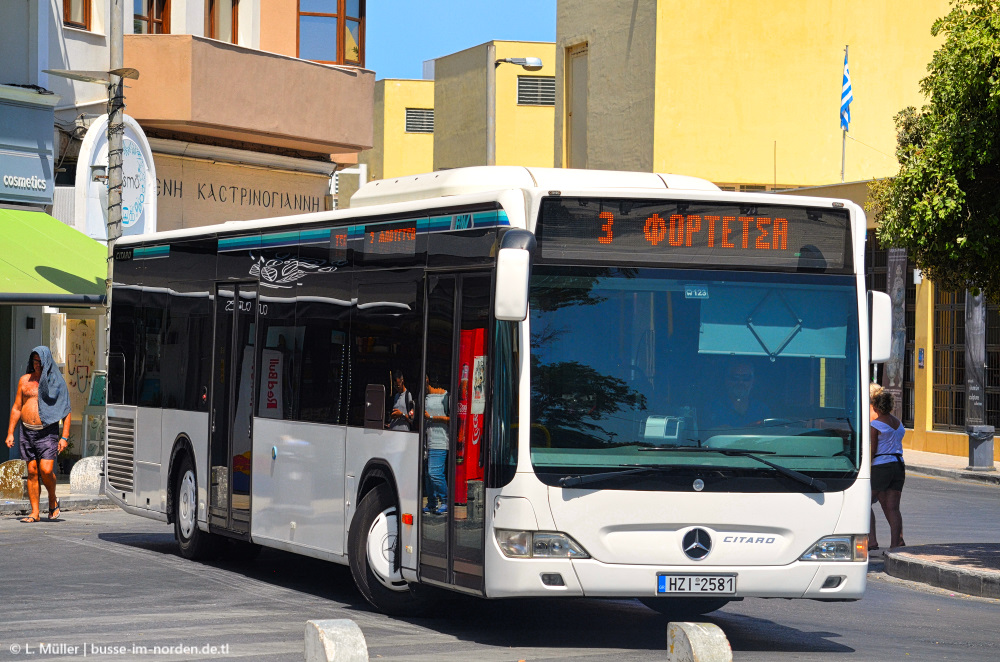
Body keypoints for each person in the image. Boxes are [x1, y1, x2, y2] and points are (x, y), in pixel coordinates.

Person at [5, 347, 72, 523]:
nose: (37, 365)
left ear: (47, 362)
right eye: (34, 361)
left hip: (47, 432)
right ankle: (35, 512)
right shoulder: (24, 381)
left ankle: (52, 499)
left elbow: (66, 411)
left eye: (40, 362)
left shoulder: (56, 382)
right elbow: (17, 407)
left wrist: (64, 437)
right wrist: (10, 432)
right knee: (32, 471)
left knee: (46, 470)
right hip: (26, 432)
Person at [869, 383, 906, 550]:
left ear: (876, 406)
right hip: (898, 465)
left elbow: (873, 449)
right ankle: (895, 546)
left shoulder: (875, 425)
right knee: (893, 508)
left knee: (864, 502)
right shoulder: (898, 423)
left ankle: (871, 540)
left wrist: (867, 467)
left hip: (881, 466)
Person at [703, 361, 768, 430]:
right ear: (726, 380)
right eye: (735, 378)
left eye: (746, 378)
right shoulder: (713, 407)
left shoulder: (762, 409)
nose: (740, 382)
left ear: (753, 381)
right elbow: (704, 436)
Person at [423, 373, 449, 515]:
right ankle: (432, 503)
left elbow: (451, 419)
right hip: (429, 440)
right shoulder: (425, 396)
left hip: (440, 440)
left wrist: (432, 417)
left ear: (428, 381)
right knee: (428, 474)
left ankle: (446, 500)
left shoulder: (445, 396)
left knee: (435, 473)